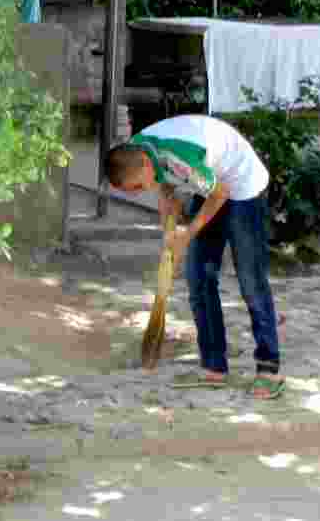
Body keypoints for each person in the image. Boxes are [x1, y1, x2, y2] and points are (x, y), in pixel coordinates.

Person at [104, 114, 285, 400]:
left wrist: (186, 235)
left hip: (242, 185)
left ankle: (269, 369)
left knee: (251, 280)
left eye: (137, 187)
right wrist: (169, 233)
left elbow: (220, 193)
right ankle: (214, 367)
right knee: (198, 276)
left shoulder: (181, 159)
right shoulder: (137, 152)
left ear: (146, 165)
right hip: (210, 182)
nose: (139, 193)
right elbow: (164, 189)